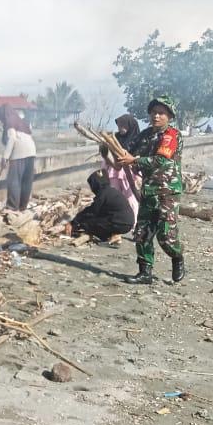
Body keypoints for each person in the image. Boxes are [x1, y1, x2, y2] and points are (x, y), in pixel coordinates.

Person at [117, 95, 186, 284]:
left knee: (166, 235)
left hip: (167, 192)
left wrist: (134, 160)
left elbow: (160, 160)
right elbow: (127, 148)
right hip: (149, 190)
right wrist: (113, 148)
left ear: (169, 116)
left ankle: (177, 258)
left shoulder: (172, 135)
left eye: (161, 113)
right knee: (142, 233)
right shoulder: (145, 135)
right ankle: (145, 272)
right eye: (154, 112)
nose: (156, 116)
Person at [65, 172, 135, 243]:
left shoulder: (103, 193)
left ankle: (111, 235)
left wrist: (73, 222)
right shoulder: (112, 191)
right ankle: (115, 235)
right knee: (98, 221)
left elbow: (91, 212)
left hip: (119, 223)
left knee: (88, 223)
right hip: (128, 223)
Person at [100, 113, 142, 231]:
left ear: (130, 126)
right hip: (114, 171)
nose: (121, 129)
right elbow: (108, 155)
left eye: (123, 126)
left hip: (130, 172)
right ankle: (115, 222)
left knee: (130, 198)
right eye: (119, 126)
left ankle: (133, 223)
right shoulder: (114, 138)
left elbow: (138, 157)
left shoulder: (138, 139)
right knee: (115, 197)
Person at [0, 104, 37, 211]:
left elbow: (12, 139)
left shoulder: (10, 121)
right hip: (31, 151)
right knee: (26, 181)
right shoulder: (21, 120)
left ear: (4, 115)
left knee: (14, 181)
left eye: (0, 119)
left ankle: (12, 207)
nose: (1, 121)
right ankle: (22, 206)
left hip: (19, 152)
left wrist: (5, 157)